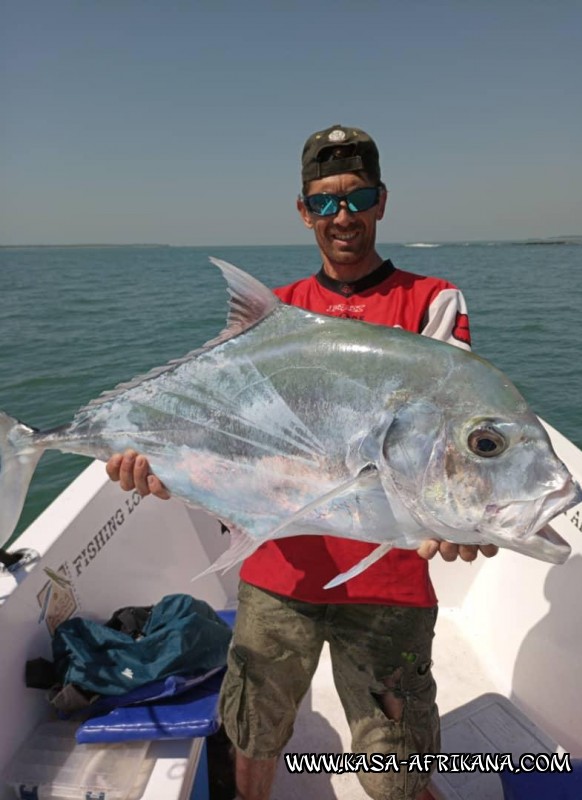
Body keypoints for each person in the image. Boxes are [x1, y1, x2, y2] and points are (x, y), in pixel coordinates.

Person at [107, 124, 498, 800]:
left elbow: (453, 435)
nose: (341, 217)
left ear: (382, 201)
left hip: (390, 584)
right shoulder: (275, 313)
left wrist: (466, 518)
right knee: (254, 740)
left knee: (397, 777)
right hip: (277, 568)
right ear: (302, 210)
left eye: (357, 197)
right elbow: (227, 434)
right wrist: (167, 470)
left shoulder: (433, 301)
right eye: (324, 202)